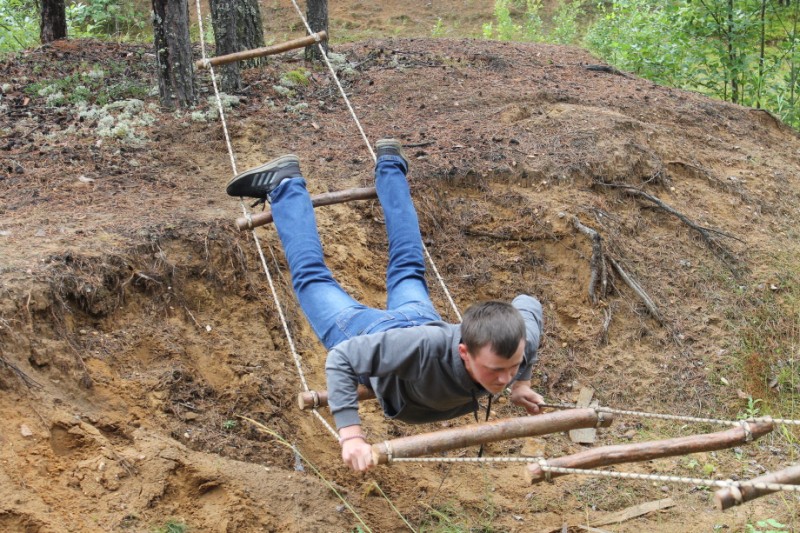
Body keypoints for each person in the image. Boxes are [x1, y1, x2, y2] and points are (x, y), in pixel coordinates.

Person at [226, 139, 544, 472]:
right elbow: (342, 358)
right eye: (496, 370)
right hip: (372, 331)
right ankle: (285, 184)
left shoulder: (517, 342)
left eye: (513, 366)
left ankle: (391, 166)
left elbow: (527, 303)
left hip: (420, 318)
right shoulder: (424, 349)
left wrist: (522, 382)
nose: (504, 378)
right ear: (464, 351)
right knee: (312, 279)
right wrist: (351, 435)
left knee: (408, 262)